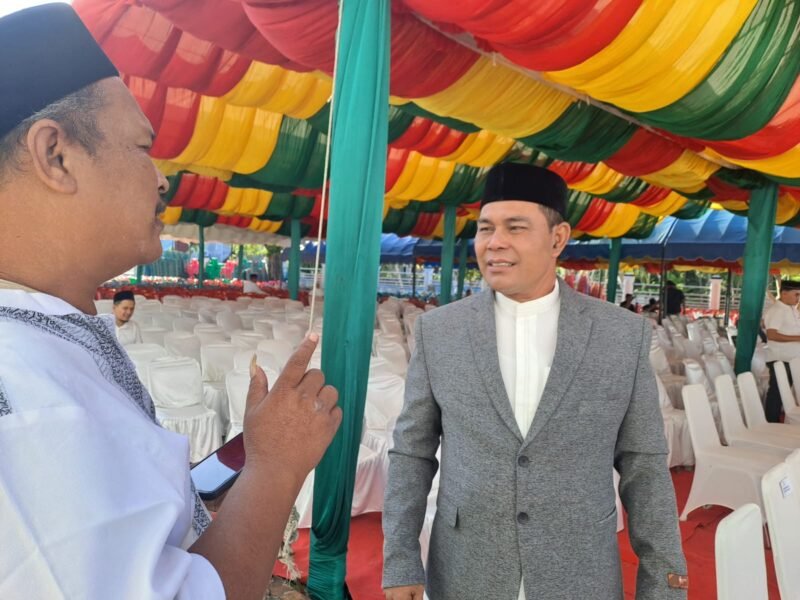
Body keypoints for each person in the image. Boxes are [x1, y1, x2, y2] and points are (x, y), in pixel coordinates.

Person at [0, 6, 341, 599]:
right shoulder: (21, 391)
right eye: (141, 147)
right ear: (55, 155)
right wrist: (276, 469)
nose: (162, 179)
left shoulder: (43, 339)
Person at [383, 163, 687, 600]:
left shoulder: (620, 334)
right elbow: (412, 451)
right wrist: (400, 560)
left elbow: (644, 466)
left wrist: (665, 585)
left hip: (579, 571)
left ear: (557, 238)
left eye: (516, 227)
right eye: (485, 228)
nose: (495, 243)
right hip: (467, 569)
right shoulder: (440, 331)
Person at [763, 279, 800, 422]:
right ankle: (770, 422)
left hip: (791, 360)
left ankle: (777, 420)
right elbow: (772, 335)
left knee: (784, 392)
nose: (798, 298)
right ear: (784, 293)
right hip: (781, 359)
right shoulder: (777, 310)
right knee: (777, 393)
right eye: (796, 295)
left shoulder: (790, 309)